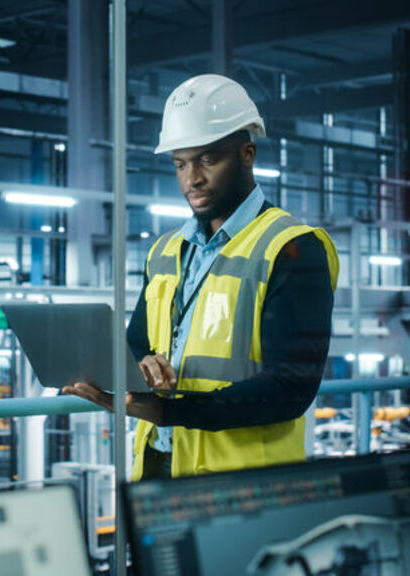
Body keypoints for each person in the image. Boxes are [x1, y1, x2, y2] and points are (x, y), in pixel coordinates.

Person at [64, 74, 339, 481]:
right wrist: (140, 367)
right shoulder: (165, 251)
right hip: (160, 466)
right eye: (180, 163)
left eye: (208, 159)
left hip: (245, 484)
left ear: (247, 153)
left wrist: (167, 411)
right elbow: (136, 343)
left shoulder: (292, 248)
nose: (192, 178)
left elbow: (289, 390)